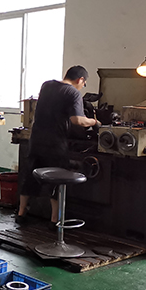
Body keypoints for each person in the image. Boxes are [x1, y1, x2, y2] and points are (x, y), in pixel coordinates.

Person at [17, 65, 100, 223]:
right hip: (55, 142)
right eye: (84, 84)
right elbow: (77, 120)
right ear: (80, 79)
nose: (82, 87)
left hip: (36, 139)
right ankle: (55, 220)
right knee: (58, 180)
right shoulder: (73, 93)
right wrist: (94, 122)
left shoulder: (47, 85)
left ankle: (21, 214)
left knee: (30, 176)